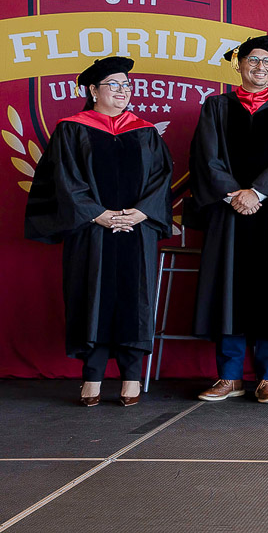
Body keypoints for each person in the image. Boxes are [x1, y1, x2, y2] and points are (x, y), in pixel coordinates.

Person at [25, 56, 173, 407]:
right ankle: (91, 377)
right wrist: (97, 215)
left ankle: (131, 377)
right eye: (114, 85)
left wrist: (142, 212)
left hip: (137, 230)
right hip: (90, 231)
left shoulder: (145, 131)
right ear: (93, 90)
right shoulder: (72, 129)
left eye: (127, 85)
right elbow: (64, 179)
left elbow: (161, 178)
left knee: (135, 299)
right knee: (91, 297)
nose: (123, 91)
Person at [188, 35, 268, 404]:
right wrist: (234, 194)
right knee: (226, 290)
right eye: (254, 61)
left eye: (267, 62)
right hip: (227, 212)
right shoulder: (216, 108)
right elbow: (206, 157)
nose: (261, 67)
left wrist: (257, 193)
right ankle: (229, 376)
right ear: (239, 66)